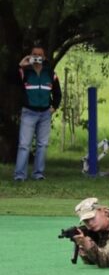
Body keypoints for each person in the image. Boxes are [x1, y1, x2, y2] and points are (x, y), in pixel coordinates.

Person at [14, 44, 62, 182]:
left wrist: (54, 107)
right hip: (29, 112)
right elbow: (10, 78)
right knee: (24, 144)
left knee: (42, 144)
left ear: (44, 57)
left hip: (45, 114)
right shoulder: (25, 72)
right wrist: (21, 64)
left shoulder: (50, 73)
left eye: (40, 55)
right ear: (30, 56)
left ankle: (38, 174)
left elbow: (57, 93)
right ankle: (19, 175)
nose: (37, 57)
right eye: (34, 54)